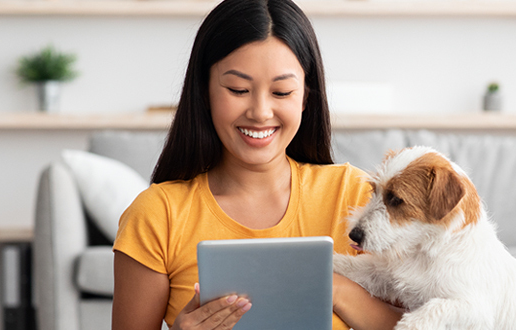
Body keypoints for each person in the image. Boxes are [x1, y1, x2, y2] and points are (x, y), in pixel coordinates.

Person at [110, 0, 403, 329]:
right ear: (204, 92)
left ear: (305, 97)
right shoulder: (156, 214)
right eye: (238, 89)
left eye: (281, 92)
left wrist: (334, 288)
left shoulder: (356, 197)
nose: (260, 112)